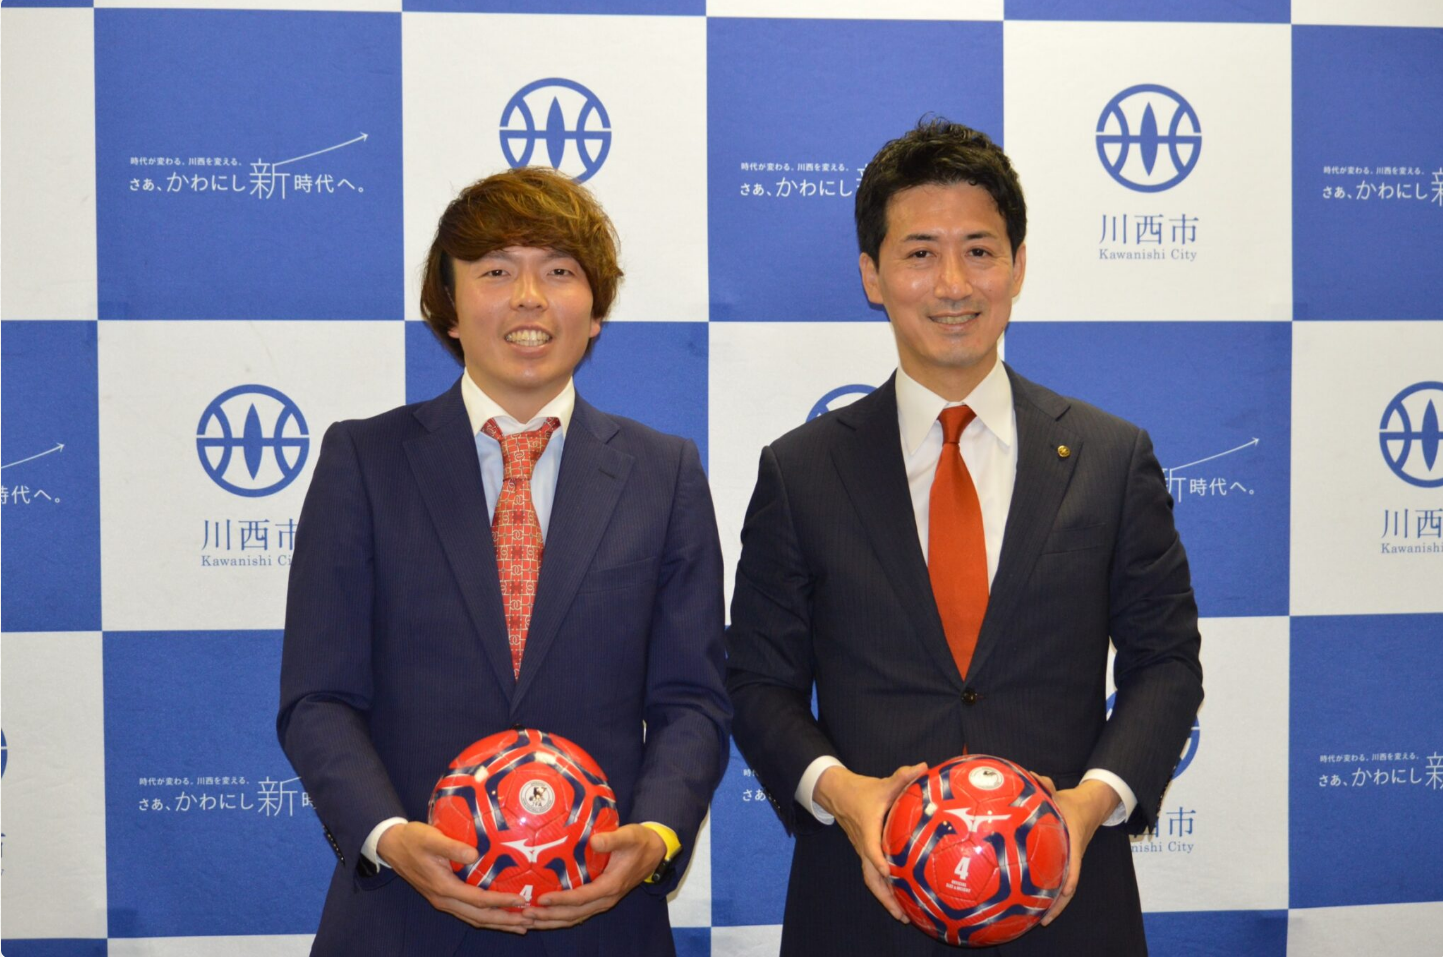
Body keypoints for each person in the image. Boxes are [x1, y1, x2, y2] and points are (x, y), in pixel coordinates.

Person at [725, 119, 1203, 955]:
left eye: (979, 250)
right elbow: (758, 682)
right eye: (919, 253)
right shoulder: (801, 471)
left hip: (1066, 904)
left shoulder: (1109, 456)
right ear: (872, 275)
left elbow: (1165, 662)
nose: (952, 283)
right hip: (863, 906)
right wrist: (844, 794)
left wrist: (1085, 805)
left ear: (1017, 266)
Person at [278, 166, 730, 957]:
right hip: (404, 920)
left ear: (595, 309)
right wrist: (387, 835)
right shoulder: (364, 461)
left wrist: (656, 834)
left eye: (558, 271)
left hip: (601, 916)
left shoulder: (664, 474)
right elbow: (317, 696)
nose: (528, 297)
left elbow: (692, 699)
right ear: (448, 307)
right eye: (494, 271)